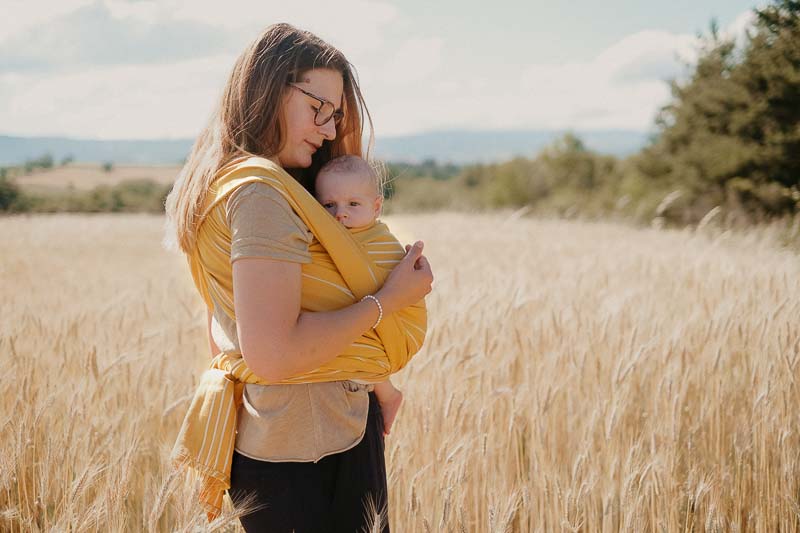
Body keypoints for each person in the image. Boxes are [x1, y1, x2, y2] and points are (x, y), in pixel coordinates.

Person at [165, 23, 433, 533]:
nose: (330, 130)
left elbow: (224, 329)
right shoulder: (262, 195)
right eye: (318, 108)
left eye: (335, 115)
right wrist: (388, 300)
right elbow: (273, 353)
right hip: (316, 440)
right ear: (269, 88)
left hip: (283, 434)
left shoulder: (226, 182)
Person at [313, 154, 409, 435]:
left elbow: (395, 282)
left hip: (377, 321)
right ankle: (388, 391)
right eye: (329, 205)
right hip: (351, 319)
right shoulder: (324, 238)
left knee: (355, 351)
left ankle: (387, 392)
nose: (340, 213)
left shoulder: (381, 243)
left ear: (376, 207)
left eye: (353, 204)